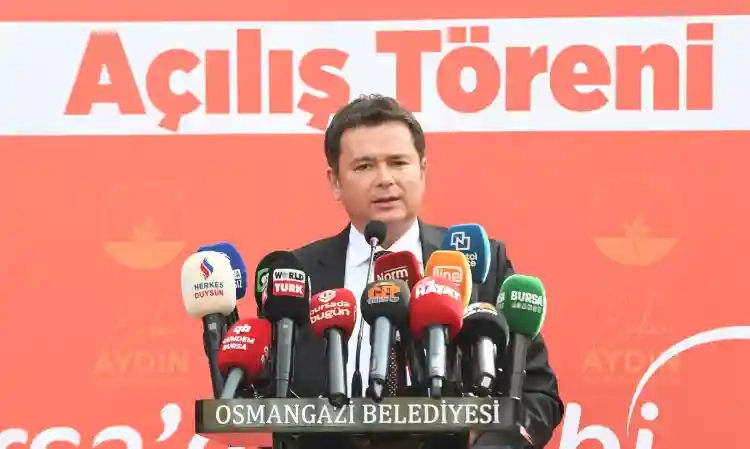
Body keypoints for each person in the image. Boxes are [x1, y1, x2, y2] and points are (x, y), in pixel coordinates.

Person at [285, 94, 563, 449]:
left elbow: (538, 393)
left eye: (398, 162)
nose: (385, 179)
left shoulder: (479, 263)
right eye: (364, 166)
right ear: (335, 181)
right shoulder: (299, 274)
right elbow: (271, 399)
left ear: (422, 170)